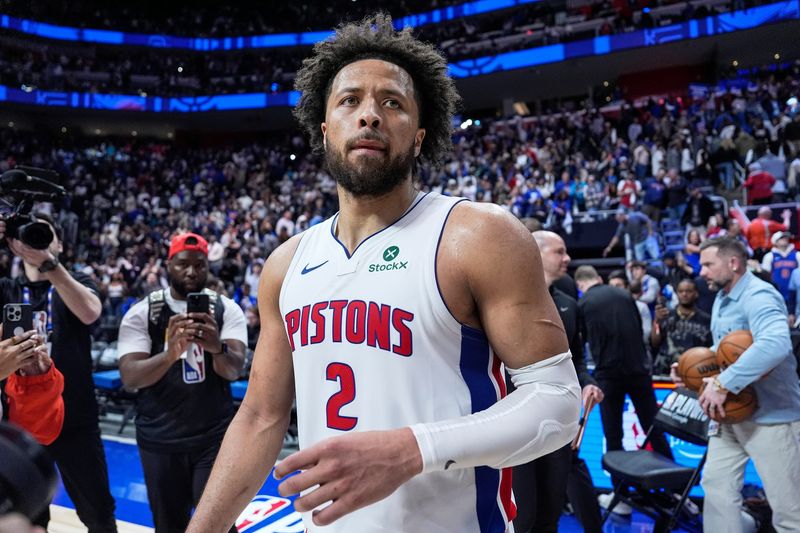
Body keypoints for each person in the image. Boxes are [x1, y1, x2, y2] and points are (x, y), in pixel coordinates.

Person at [188, 14, 580, 533]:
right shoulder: (286, 265)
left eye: (391, 102)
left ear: (419, 137)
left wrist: (413, 449)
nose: (369, 115)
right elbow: (261, 417)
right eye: (349, 100)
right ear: (325, 130)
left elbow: (558, 403)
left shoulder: (476, 235)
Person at [117, 232, 247, 533]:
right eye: (183, 264)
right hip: (159, 439)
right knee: (169, 526)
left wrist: (217, 347)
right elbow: (130, 377)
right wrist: (170, 353)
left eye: (199, 265)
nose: (191, 272)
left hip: (213, 439)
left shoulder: (227, 310)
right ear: (168, 265)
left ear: (207, 266)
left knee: (219, 525)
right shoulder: (144, 311)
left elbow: (233, 370)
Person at [671, 236, 800, 532]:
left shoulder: (759, 295)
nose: (700, 271)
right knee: (716, 490)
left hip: (772, 418)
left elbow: (776, 343)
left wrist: (723, 382)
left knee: (789, 509)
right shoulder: (721, 296)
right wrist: (694, 373)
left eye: (707, 264)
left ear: (732, 263)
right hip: (729, 414)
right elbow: (727, 351)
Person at [0, 214, 117, 533]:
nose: (35, 242)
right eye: (29, 235)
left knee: (98, 511)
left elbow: (90, 312)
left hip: (76, 418)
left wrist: (49, 264)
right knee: (25, 512)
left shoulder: (77, 281)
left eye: (43, 234)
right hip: (21, 424)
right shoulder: (6, 288)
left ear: (60, 245)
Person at [506, 231, 604, 533]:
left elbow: (576, 360)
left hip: (557, 424)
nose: (568, 258)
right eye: (559, 252)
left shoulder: (569, 305)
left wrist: (588, 382)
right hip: (515, 424)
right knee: (522, 518)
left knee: (550, 514)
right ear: (535, 252)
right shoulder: (503, 301)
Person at [574, 265, 673, 515]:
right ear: (599, 277)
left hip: (608, 375)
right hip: (639, 371)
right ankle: (675, 491)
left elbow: (581, 343)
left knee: (613, 435)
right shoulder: (625, 295)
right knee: (655, 428)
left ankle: (620, 495)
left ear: (580, 285)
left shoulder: (583, 303)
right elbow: (639, 332)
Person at [651, 278, 712, 376]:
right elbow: (655, 343)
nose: (684, 294)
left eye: (688, 291)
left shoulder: (706, 320)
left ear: (696, 293)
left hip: (695, 371)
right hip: (665, 370)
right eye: (681, 291)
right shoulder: (665, 315)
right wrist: (657, 321)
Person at [760, 231, 798, 309]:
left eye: (785, 237)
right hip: (776, 293)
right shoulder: (769, 256)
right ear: (775, 242)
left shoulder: (797, 255)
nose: (785, 239)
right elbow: (765, 277)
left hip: (794, 293)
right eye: (781, 238)